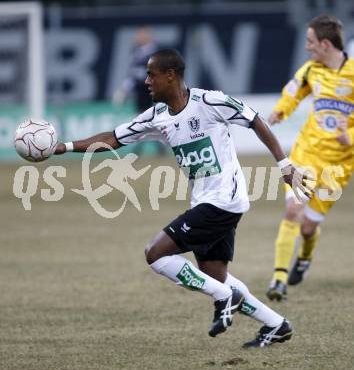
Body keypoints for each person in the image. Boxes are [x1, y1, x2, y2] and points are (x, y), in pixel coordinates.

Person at [55, 49, 311, 348]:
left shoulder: (210, 102)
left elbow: (255, 120)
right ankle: (276, 325)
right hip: (205, 201)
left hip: (223, 201)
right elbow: (113, 138)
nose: (146, 81)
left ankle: (224, 298)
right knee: (214, 274)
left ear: (170, 75)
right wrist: (64, 147)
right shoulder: (157, 115)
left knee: (156, 254)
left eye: (151, 75)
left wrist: (284, 165)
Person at [266, 14, 354, 301]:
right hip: (307, 153)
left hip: (339, 164)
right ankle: (278, 280)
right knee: (293, 210)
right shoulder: (310, 71)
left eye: (311, 42)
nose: (307, 47)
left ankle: (304, 258)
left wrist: (349, 138)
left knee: (307, 227)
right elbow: (292, 93)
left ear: (326, 44)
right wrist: (281, 110)